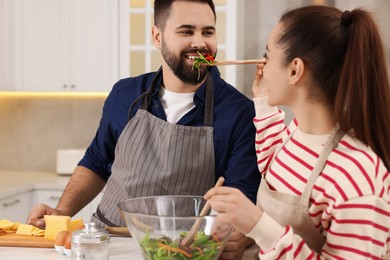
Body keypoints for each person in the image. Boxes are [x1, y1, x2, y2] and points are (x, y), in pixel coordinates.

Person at [27, 0, 260, 258]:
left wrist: (240, 233)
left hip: (180, 251)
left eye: (208, 32)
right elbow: (97, 161)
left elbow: (241, 195)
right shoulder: (125, 94)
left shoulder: (240, 112)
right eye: (186, 31)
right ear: (157, 36)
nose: (200, 43)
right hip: (108, 241)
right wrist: (62, 212)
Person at [205, 5, 390, 259]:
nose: (262, 66)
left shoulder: (357, 176)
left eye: (267, 55)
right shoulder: (298, 133)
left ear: (294, 70)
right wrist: (262, 101)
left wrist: (259, 225)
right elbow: (274, 165)